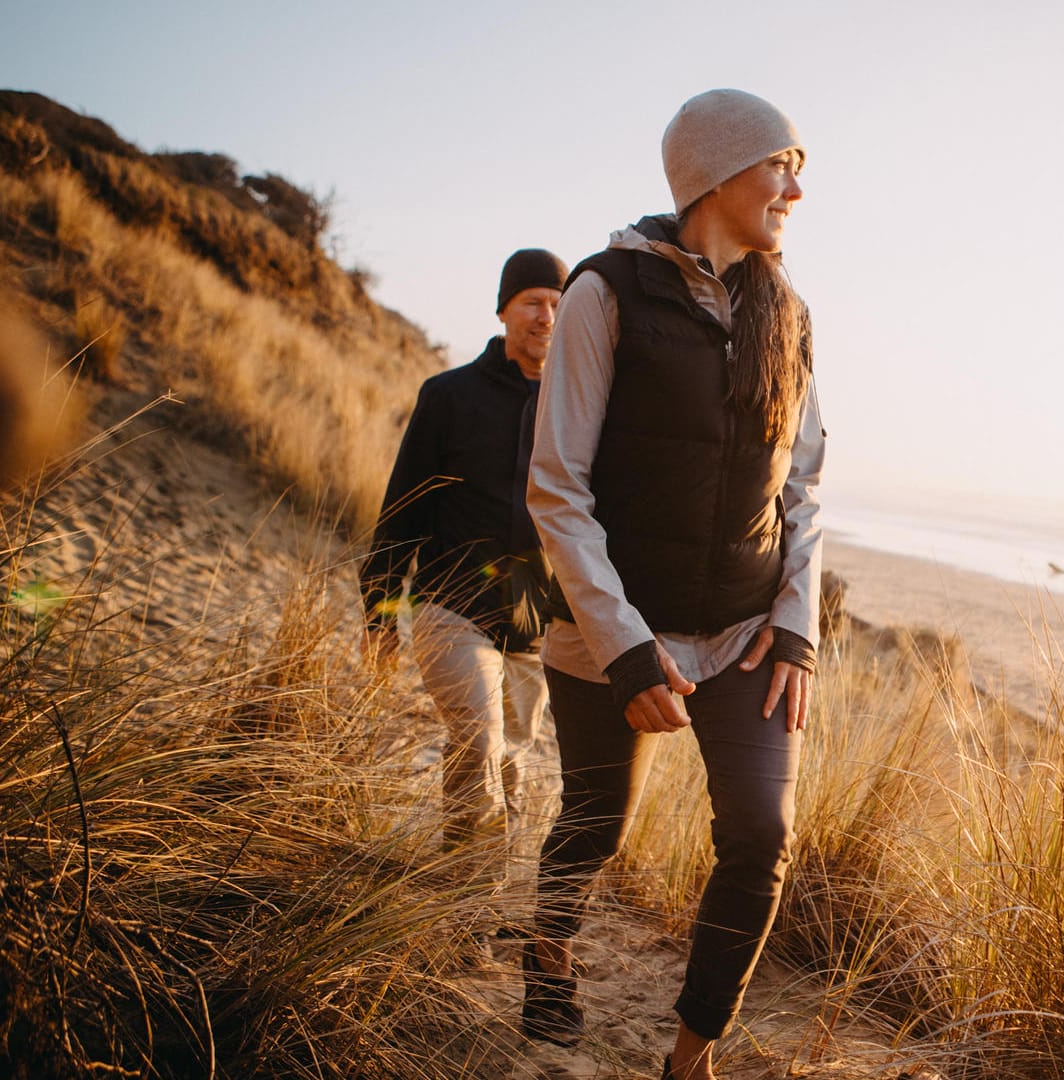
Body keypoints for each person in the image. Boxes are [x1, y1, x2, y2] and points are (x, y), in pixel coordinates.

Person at [521, 89, 825, 1080]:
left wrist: (796, 626)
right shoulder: (604, 293)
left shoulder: (791, 313)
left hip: (744, 633)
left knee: (761, 834)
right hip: (615, 630)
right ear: (713, 172)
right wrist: (624, 644)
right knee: (595, 825)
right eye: (780, 161)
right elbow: (557, 488)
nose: (795, 185)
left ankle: (689, 1056)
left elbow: (806, 482)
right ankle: (549, 952)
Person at [359, 248, 568, 885]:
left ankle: (485, 898)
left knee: (512, 762)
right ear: (503, 308)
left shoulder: (576, 411)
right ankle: (470, 909)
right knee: (478, 743)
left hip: (532, 627)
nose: (546, 316)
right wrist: (379, 614)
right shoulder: (449, 396)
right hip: (451, 608)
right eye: (533, 301)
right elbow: (403, 509)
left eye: (559, 305)